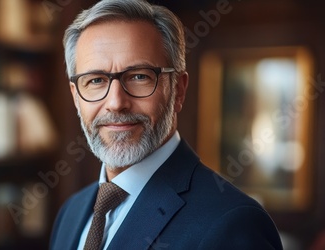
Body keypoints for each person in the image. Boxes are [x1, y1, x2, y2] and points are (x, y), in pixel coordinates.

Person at [50, 0, 283, 249]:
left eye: (139, 76)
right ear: (76, 96)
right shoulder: (71, 213)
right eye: (95, 80)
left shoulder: (234, 223)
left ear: (178, 90)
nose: (116, 103)